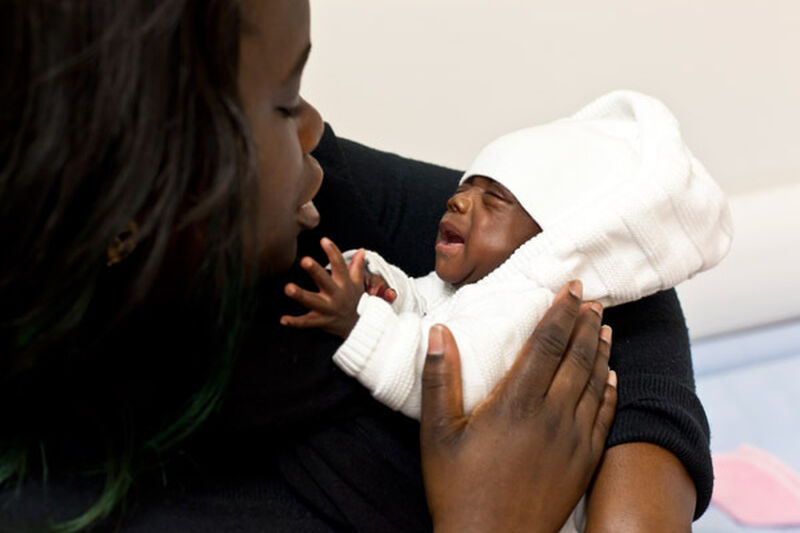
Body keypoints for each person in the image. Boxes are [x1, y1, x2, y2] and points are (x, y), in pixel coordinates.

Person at [0, 0, 705, 531]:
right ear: (128, 200)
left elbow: (594, 249)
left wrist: (631, 512)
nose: (316, 127)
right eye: (282, 104)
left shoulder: (314, 205)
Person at [281, 90, 731, 532]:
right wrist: (382, 284)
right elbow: (425, 306)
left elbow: (441, 377)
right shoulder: (480, 284)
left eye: (492, 200)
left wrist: (358, 321)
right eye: (464, 190)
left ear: (549, 243)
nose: (455, 201)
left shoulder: (526, 308)